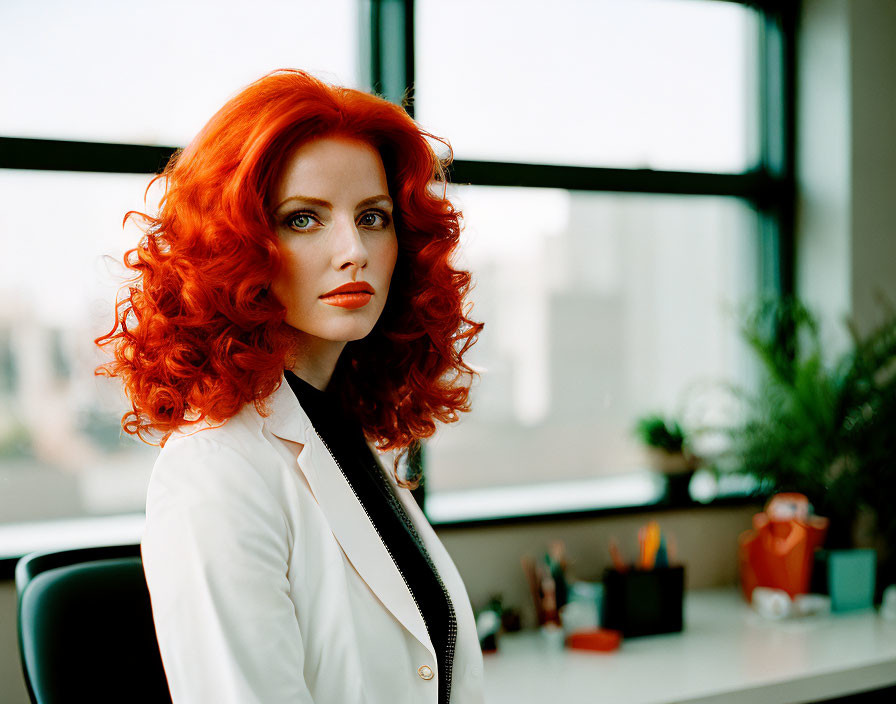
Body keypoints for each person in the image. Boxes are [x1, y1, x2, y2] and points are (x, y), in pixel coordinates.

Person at [95, 68, 485, 704]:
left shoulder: (343, 428)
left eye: (374, 217)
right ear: (236, 245)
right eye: (304, 218)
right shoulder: (216, 471)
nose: (352, 249)